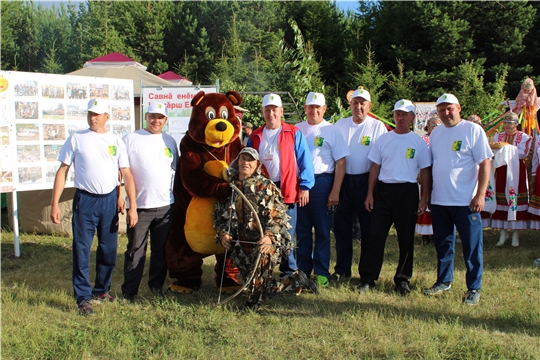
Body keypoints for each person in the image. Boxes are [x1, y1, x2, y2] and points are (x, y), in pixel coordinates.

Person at [50, 98, 138, 316]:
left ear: (107, 117)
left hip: (108, 201)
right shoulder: (77, 139)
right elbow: (63, 170)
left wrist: (130, 203)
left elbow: (124, 173)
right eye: (90, 113)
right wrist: (54, 204)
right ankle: (82, 296)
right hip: (85, 201)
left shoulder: (116, 141)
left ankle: (102, 290)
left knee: (108, 249)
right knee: (81, 249)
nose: (93, 117)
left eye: (97, 114)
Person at [423, 93, 492, 306]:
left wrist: (480, 195)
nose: (446, 113)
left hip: (466, 202)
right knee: (443, 244)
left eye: (449, 108)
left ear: (459, 108)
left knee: (471, 247)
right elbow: (432, 166)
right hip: (440, 200)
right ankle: (444, 281)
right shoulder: (436, 134)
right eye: (442, 110)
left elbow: (485, 162)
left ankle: (473, 288)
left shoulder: (473, 130)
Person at [359, 99, 431, 295]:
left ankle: (402, 279)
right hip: (384, 191)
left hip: (407, 192)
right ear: (394, 116)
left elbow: (425, 171)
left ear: (412, 118)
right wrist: (369, 195)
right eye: (397, 114)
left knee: (406, 238)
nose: (400, 118)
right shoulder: (383, 139)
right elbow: (375, 167)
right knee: (375, 236)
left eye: (404, 115)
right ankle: (368, 278)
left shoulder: (418, 142)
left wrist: (424, 198)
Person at [214, 147, 292, 310]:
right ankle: (294, 281)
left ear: (257, 165)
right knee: (258, 284)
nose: (246, 163)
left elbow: (279, 217)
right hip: (241, 246)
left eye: (250, 160)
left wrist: (269, 237)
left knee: (256, 279)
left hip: (265, 243)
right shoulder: (229, 187)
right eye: (243, 159)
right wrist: (224, 234)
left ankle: (252, 303)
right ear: (237, 162)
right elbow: (219, 217)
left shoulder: (266, 186)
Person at [247, 93, 315, 278]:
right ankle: (262, 269)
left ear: (281, 111)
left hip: (286, 188)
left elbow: (304, 161)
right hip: (262, 191)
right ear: (262, 112)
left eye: (274, 110)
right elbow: (246, 161)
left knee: (286, 231)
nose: (271, 114)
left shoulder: (293, 133)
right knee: (262, 229)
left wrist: (305, 186)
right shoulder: (254, 136)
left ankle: (289, 270)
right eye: (267, 110)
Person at [121, 102, 178, 302]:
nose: (156, 120)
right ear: (146, 116)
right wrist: (124, 200)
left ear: (165, 120)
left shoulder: (170, 141)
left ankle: (156, 286)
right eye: (152, 116)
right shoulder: (130, 139)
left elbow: (174, 171)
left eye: (160, 117)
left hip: (165, 207)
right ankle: (129, 291)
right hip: (139, 207)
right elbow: (120, 171)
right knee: (135, 251)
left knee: (160, 251)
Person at [295, 92, 349, 287]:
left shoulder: (332, 130)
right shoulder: (297, 129)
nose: (314, 110)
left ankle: (321, 271)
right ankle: (302, 270)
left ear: (325, 109)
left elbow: (341, 162)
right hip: (300, 183)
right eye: (310, 107)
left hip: (323, 182)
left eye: (318, 107)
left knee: (323, 230)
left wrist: (335, 191)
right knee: (302, 230)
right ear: (305, 108)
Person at [333, 88, 387, 281]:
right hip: (343, 181)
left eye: (363, 103)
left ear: (369, 106)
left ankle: (365, 272)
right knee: (342, 227)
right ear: (350, 105)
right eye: (355, 103)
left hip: (366, 181)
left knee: (367, 229)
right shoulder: (339, 125)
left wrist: (372, 190)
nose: (358, 107)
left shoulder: (377, 126)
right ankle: (342, 270)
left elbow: (378, 161)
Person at [491, 112, 531, 247]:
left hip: (516, 170)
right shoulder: (498, 136)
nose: (507, 126)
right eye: (506, 123)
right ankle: (503, 233)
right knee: (501, 198)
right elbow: (493, 150)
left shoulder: (523, 137)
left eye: (510, 123)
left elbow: (523, 153)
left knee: (515, 198)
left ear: (516, 124)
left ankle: (515, 234)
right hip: (501, 169)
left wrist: (507, 148)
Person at [416, 115, 441, 245]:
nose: (435, 128)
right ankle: (425, 234)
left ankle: (437, 232)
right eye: (433, 125)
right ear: (428, 127)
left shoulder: (443, 138)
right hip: (427, 172)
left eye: (438, 125)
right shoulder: (424, 139)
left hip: (439, 174)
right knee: (425, 199)